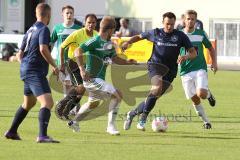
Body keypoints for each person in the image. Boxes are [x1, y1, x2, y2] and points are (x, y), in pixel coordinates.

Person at [122, 12, 197, 131]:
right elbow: (139, 37)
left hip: (171, 70)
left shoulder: (180, 36)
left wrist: (185, 57)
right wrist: (128, 42)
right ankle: (142, 119)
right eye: (167, 24)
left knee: (153, 97)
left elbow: (193, 52)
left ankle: (132, 113)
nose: (169, 27)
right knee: (157, 88)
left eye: (172, 24)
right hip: (155, 65)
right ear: (163, 23)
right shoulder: (155, 33)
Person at [67, 16, 137, 135]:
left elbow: (114, 59)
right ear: (110, 30)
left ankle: (74, 122)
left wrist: (127, 62)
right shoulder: (95, 41)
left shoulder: (109, 44)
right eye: (113, 30)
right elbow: (77, 51)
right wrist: (82, 69)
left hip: (99, 80)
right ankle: (110, 126)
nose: (114, 32)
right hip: (91, 79)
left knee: (93, 103)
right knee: (117, 95)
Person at [4, 3, 60, 143]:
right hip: (34, 71)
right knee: (47, 102)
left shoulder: (30, 30)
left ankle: (11, 132)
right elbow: (43, 49)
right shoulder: (44, 29)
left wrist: (26, 66)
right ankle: (42, 136)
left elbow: (19, 54)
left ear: (36, 14)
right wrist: (54, 65)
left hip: (26, 70)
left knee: (28, 103)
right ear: (48, 15)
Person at [55, 14, 98, 120]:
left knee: (81, 91)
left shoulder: (97, 35)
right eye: (89, 22)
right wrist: (62, 64)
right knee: (81, 87)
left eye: (93, 22)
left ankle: (66, 111)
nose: (91, 25)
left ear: (96, 24)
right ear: (85, 23)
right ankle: (62, 104)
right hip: (73, 63)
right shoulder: (77, 34)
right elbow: (62, 47)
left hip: (86, 66)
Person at [179, 10, 217, 129]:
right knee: (195, 99)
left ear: (196, 20)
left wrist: (214, 63)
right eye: (188, 19)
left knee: (201, 94)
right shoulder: (179, 35)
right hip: (185, 71)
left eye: (193, 19)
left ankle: (208, 94)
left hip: (200, 68)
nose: (190, 21)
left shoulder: (201, 33)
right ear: (184, 20)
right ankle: (206, 121)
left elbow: (210, 48)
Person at [51, 5, 81, 97]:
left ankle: (73, 105)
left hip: (74, 61)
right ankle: (68, 106)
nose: (69, 15)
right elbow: (51, 43)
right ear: (62, 15)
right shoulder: (57, 28)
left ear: (73, 15)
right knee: (66, 85)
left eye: (71, 13)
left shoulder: (78, 29)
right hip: (61, 61)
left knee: (76, 85)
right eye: (67, 13)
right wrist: (52, 62)